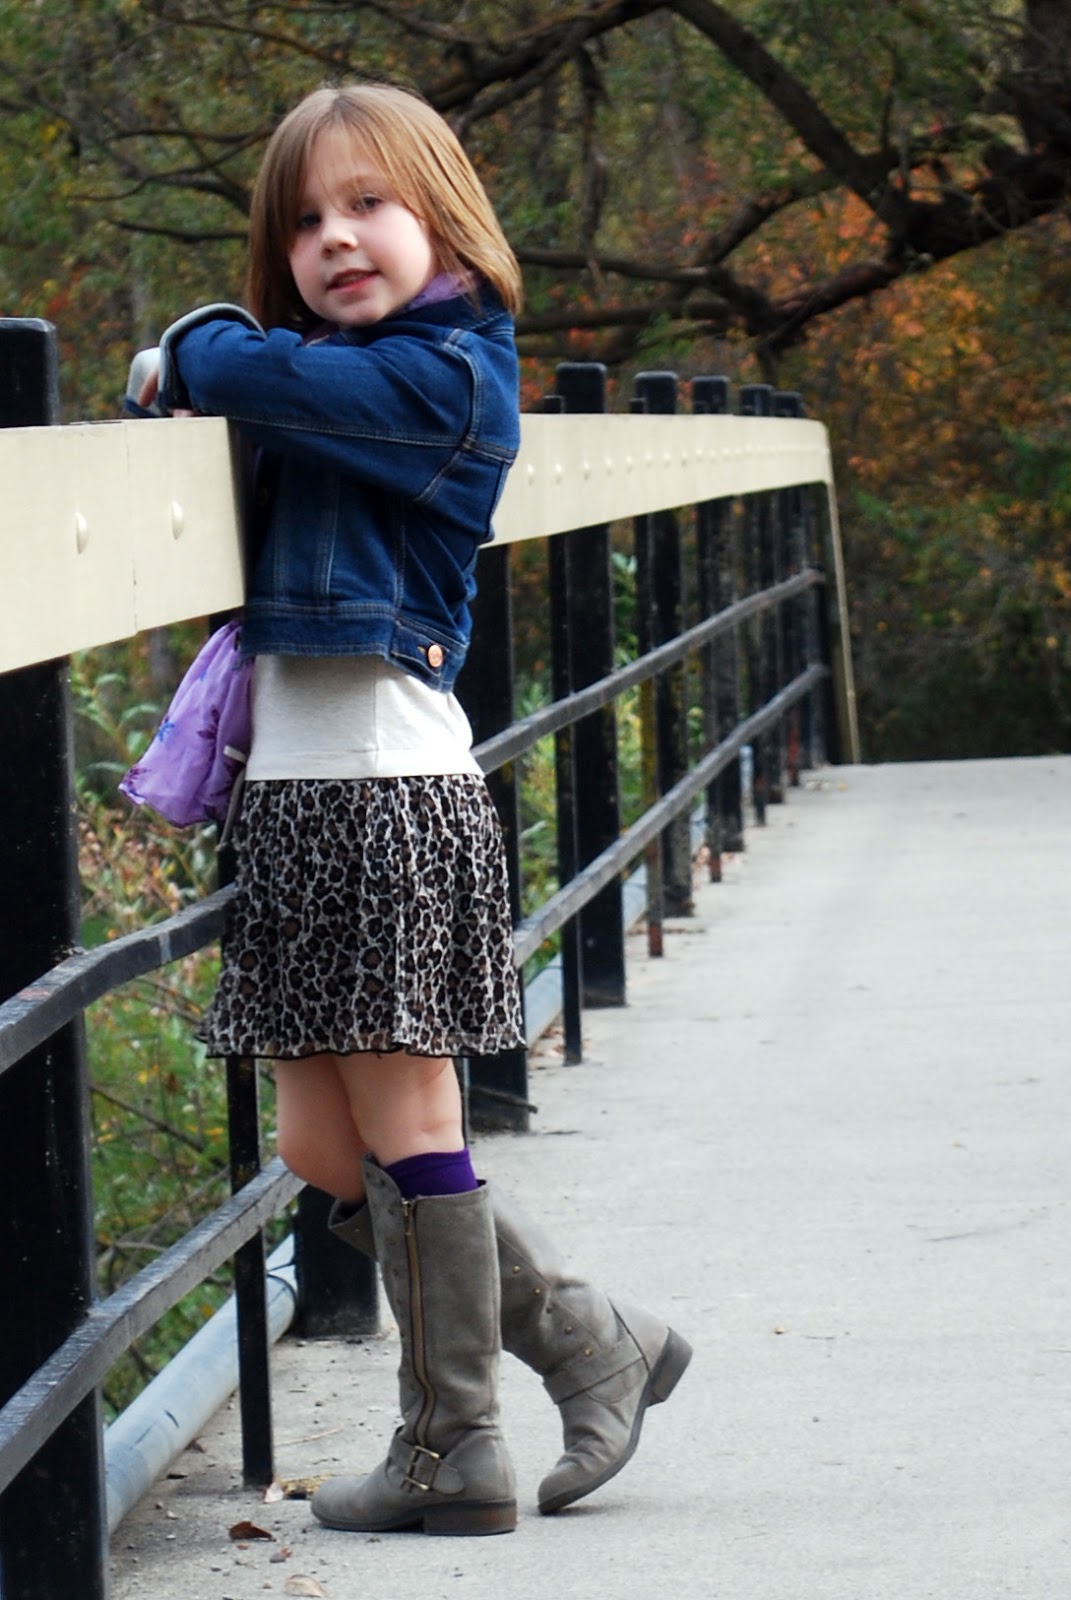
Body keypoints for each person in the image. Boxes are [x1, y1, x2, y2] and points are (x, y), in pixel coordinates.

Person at [140, 80, 691, 1538]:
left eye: (368, 205)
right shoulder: (326, 372)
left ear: (445, 216)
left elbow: (265, 382)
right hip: (301, 803)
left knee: (406, 1114)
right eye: (304, 220)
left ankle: (455, 1446)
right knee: (321, 1152)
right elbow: (271, 402)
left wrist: (195, 347)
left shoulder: (447, 378)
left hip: (384, 795)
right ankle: (586, 1334)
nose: (334, 238)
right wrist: (209, 376)